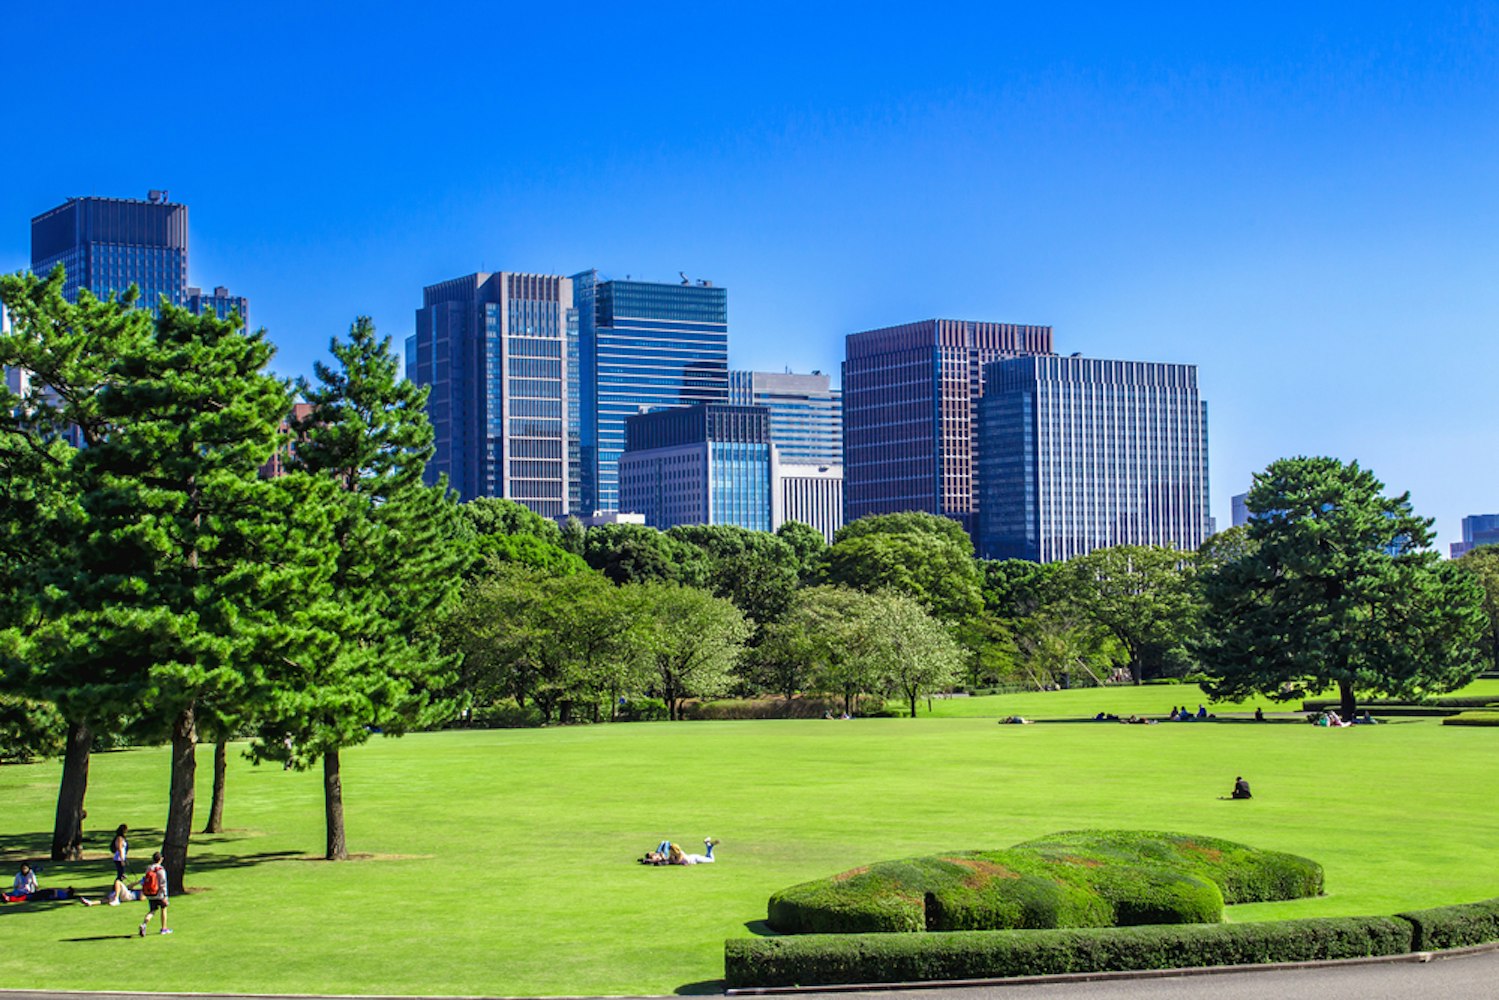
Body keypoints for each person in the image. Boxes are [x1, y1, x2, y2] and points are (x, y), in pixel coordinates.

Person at [136, 852, 171, 935]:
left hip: (150, 893)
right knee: (163, 909)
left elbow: (145, 880)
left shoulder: (149, 868)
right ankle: (164, 928)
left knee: (152, 910)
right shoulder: (161, 870)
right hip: (159, 894)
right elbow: (163, 883)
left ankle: (144, 924)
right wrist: (165, 895)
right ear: (160, 859)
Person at [642, 838, 719, 865]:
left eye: (670, 850)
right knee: (708, 857)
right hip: (693, 858)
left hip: (695, 859)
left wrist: (665, 859)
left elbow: (676, 862)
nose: (669, 851)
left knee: (711, 860)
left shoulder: (680, 854)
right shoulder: (674, 854)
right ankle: (709, 845)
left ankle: (708, 845)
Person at [78, 877, 142, 906]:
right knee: (107, 899)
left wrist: (144, 889)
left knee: (118, 882)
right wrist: (138, 882)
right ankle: (91, 903)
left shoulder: (146, 891)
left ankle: (116, 899)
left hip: (129, 896)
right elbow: (129, 887)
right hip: (127, 894)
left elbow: (142, 898)